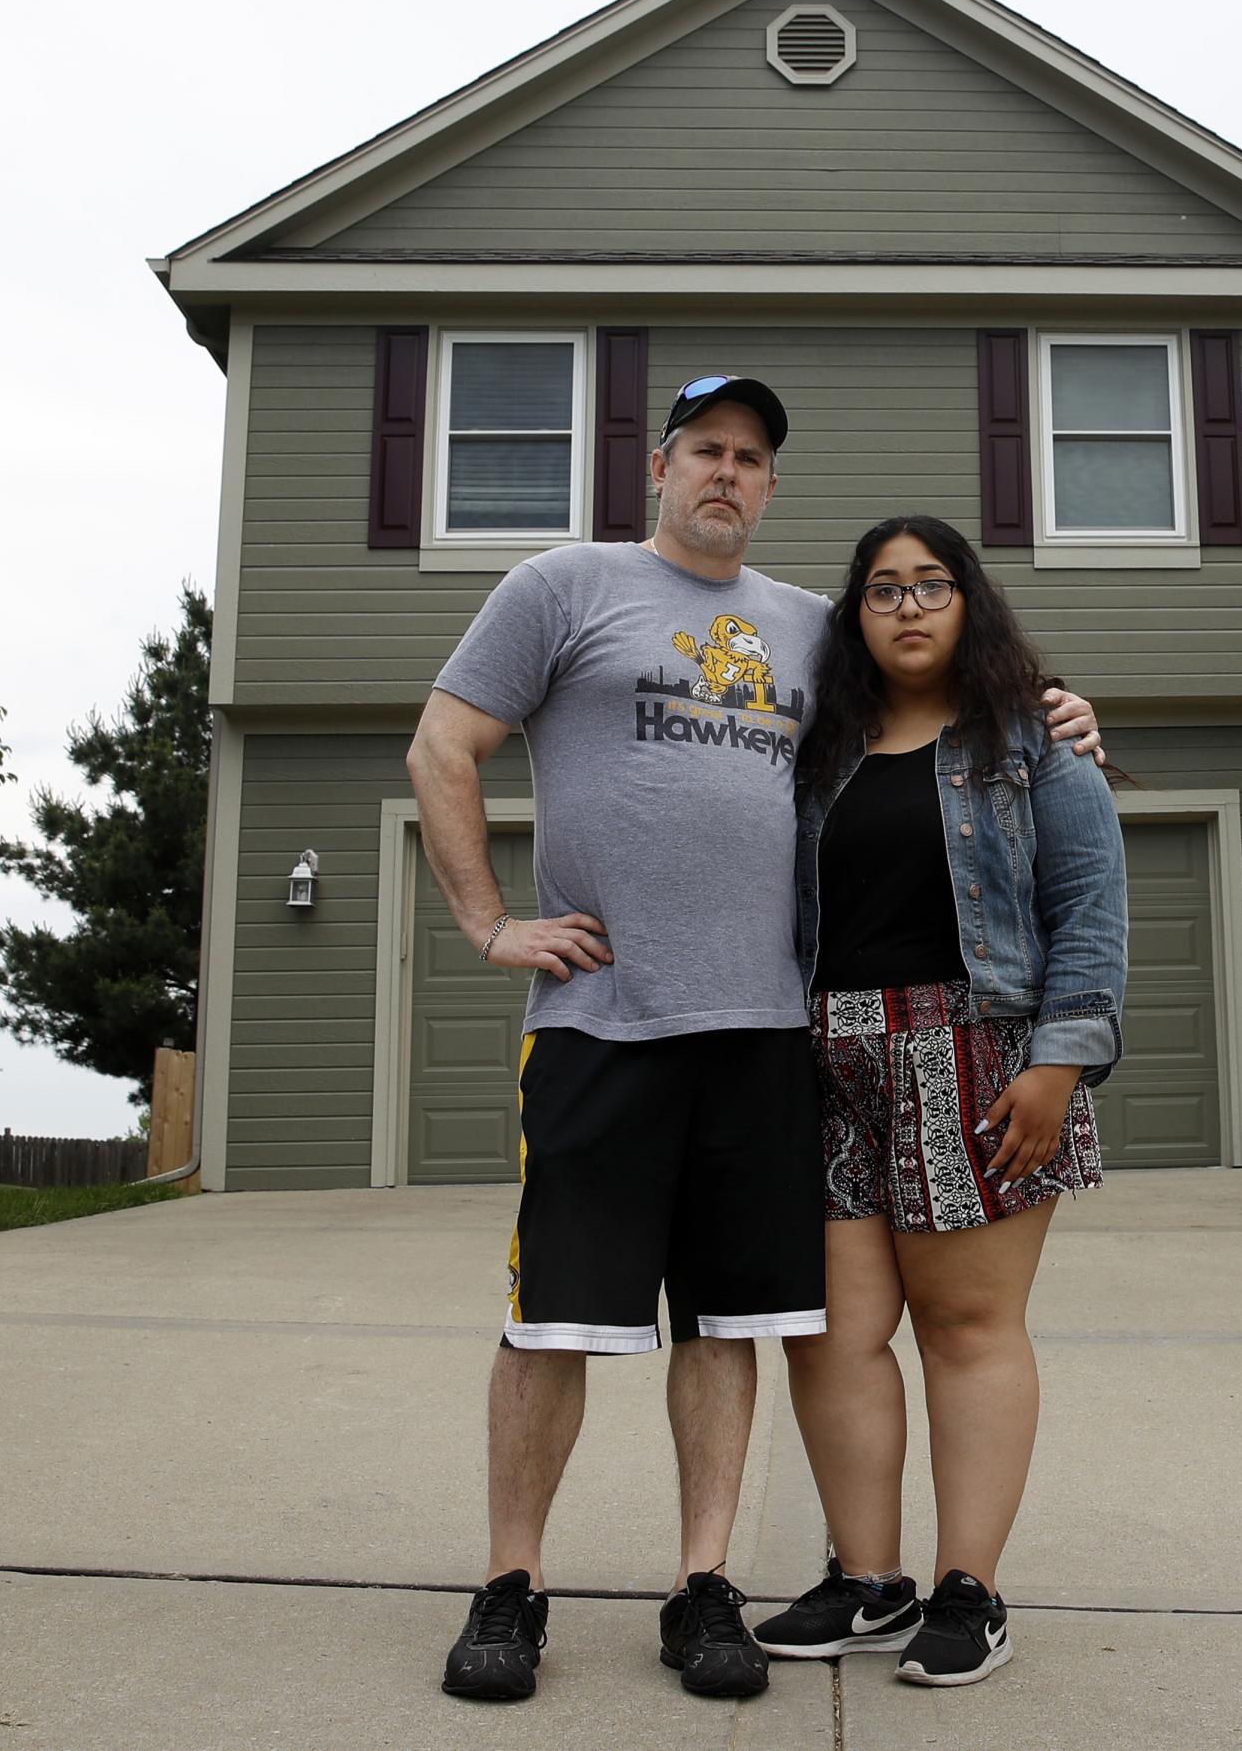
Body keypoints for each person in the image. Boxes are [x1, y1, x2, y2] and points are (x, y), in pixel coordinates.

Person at [405, 378, 1101, 1704]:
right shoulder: (563, 584)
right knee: (551, 1320)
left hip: (772, 1035)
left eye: (752, 457)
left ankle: (704, 1581)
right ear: (659, 466)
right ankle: (512, 1583)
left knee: (729, 1320)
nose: (727, 472)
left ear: (771, 487)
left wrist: (1059, 715)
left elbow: (937, 685)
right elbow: (445, 743)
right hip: (603, 1020)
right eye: (706, 450)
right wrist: (493, 921)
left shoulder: (810, 627)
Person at [755, 514, 1127, 1688]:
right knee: (828, 1334)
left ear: (969, 601)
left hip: (976, 1060)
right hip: (827, 1062)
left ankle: (970, 1591)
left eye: (930, 584)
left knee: (966, 1331)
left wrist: (1059, 1064)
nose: (908, 605)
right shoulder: (818, 752)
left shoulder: (1032, 744)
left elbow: (1090, 910)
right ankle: (870, 1581)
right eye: (880, 589)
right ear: (852, 617)